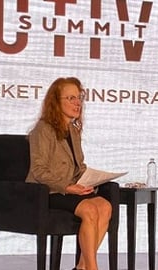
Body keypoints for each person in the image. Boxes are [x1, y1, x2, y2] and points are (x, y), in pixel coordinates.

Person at [25, 77, 112, 270]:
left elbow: (78, 165)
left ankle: (81, 267)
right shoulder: (43, 129)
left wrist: (93, 178)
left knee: (105, 207)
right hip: (50, 191)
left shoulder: (73, 130)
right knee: (90, 210)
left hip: (73, 188)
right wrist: (66, 186)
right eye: (71, 98)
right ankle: (92, 267)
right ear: (56, 102)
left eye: (79, 97)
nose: (77, 103)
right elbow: (38, 170)